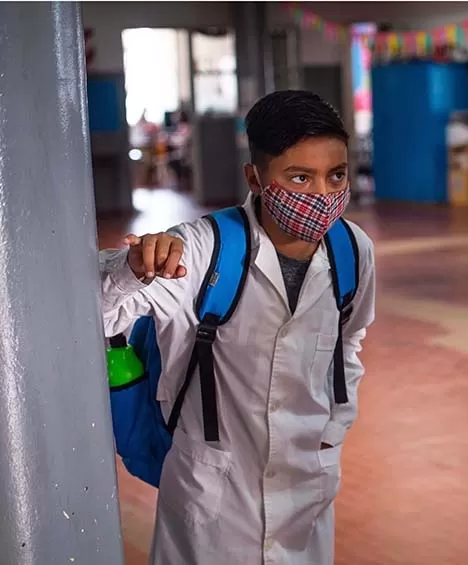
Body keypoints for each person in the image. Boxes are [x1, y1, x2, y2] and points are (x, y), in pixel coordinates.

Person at [99, 90, 375, 564]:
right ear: (256, 177)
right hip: (212, 497)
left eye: (336, 175)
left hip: (307, 485)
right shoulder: (200, 253)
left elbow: (350, 338)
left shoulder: (352, 250)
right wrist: (133, 268)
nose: (323, 196)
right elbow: (93, 313)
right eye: (300, 178)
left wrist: (335, 424)